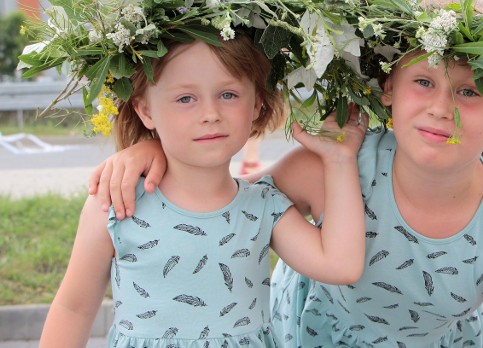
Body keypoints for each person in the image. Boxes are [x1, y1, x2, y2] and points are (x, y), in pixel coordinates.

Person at [87, 0, 483, 347]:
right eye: (423, 81)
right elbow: (218, 205)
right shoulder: (337, 164)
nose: (441, 108)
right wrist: (153, 153)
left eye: (469, 92)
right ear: (388, 86)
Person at [39, 35, 368, 348]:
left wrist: (339, 159)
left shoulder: (262, 206)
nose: (210, 114)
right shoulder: (116, 203)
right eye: (186, 99)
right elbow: (74, 308)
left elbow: (341, 266)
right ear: (145, 110)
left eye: (228, 94)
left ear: (257, 103)